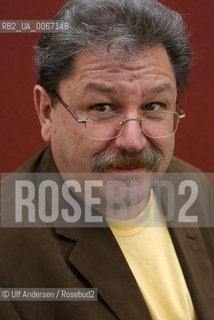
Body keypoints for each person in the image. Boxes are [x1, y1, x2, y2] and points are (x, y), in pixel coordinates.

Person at [0, 0, 213, 319]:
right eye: (102, 107)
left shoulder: (195, 187)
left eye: (153, 106)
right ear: (46, 112)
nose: (133, 140)